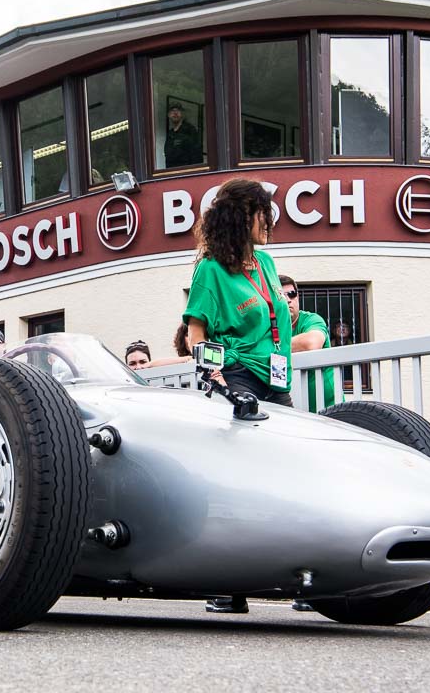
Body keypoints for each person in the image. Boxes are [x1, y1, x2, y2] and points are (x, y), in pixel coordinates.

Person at [183, 178, 292, 614]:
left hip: (276, 380)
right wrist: (218, 379)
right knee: (242, 481)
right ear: (243, 216)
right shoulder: (211, 270)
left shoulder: (265, 264)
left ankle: (299, 577)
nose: (270, 220)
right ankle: (227, 583)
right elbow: (196, 334)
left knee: (287, 476)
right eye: (263, 212)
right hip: (238, 377)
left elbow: (279, 318)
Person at [281, 275, 337, 412]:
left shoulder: (311, 319)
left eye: (292, 294)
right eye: (281, 296)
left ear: (298, 297)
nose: (288, 300)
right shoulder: (268, 327)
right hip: (294, 412)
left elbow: (311, 343)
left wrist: (270, 347)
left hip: (330, 408)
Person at [162, 103, 202, 168]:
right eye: (172, 111)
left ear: (182, 114)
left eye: (178, 110)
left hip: (186, 172)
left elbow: (196, 154)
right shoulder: (170, 134)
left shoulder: (190, 130)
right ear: (168, 115)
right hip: (172, 172)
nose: (175, 113)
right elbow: (168, 156)